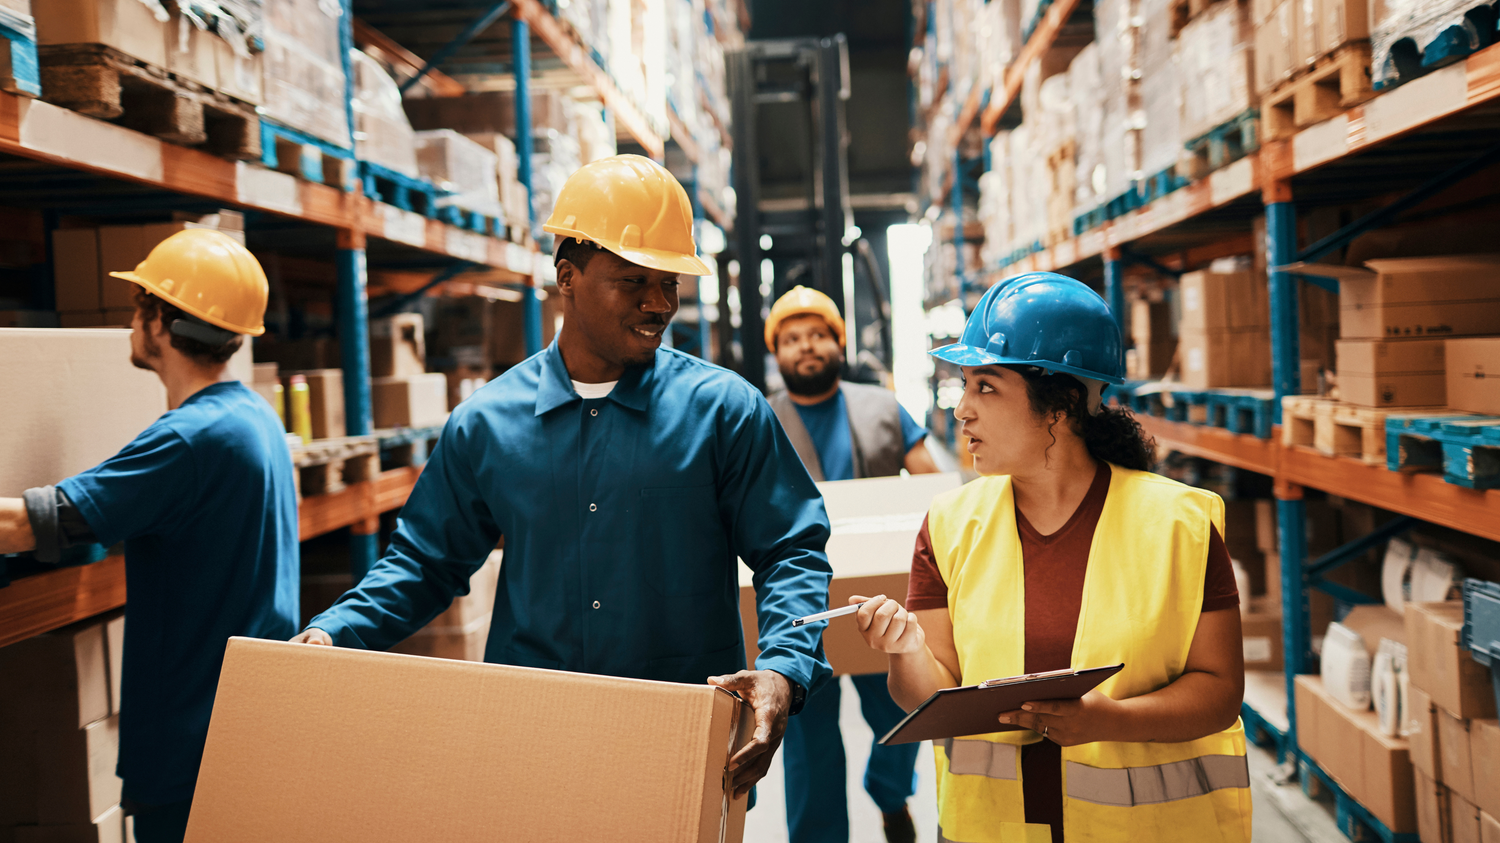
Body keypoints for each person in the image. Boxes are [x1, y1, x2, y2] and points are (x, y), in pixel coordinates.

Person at [291, 155, 834, 799]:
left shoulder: (723, 412)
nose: (658, 304)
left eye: (670, 283)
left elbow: (790, 549)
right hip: (533, 730)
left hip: (686, 727)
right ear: (567, 277)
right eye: (634, 281)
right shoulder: (487, 425)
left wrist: (782, 666)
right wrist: (333, 632)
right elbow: (424, 562)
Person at [850, 273, 1250, 843]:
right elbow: (926, 697)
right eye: (964, 385)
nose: (962, 410)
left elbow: (1218, 689)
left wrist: (1109, 721)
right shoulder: (949, 525)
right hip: (990, 830)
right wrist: (905, 651)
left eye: (986, 387)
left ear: (1059, 405)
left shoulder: (1179, 525)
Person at [0, 229, 299, 843]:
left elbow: (32, 523)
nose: (134, 320)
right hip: (244, 728)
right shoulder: (253, 419)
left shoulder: (190, 439)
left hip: (191, 742)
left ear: (161, 322)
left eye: (141, 306)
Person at [763, 285, 939, 843]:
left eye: (817, 334)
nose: (805, 347)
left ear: (838, 343)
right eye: (792, 339)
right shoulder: (760, 419)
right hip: (800, 606)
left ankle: (889, 796)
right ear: (777, 352)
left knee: (902, 714)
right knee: (809, 740)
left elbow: (933, 488)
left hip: (880, 599)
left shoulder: (881, 407)